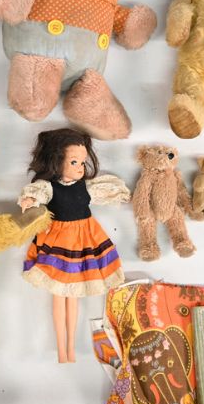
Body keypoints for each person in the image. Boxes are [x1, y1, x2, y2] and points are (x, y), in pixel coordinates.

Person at [19, 128, 129, 363]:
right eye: (74, 162)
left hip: (84, 242)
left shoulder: (85, 186)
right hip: (59, 245)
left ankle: (70, 347)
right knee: (59, 295)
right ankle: (62, 348)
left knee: (73, 297)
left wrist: (120, 194)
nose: (80, 167)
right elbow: (38, 193)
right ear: (56, 161)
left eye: (82, 162)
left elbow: (107, 191)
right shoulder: (50, 187)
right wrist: (30, 199)